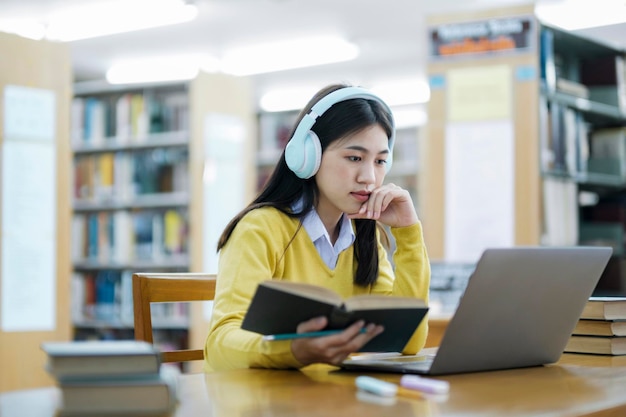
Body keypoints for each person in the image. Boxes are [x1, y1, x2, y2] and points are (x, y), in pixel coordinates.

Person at [204, 83, 430, 371]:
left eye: (380, 161)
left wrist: (408, 232)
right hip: (260, 401)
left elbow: (408, 341)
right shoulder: (260, 229)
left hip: (327, 399)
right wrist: (293, 350)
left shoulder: (365, 233)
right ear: (307, 156)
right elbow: (220, 344)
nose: (369, 177)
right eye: (354, 158)